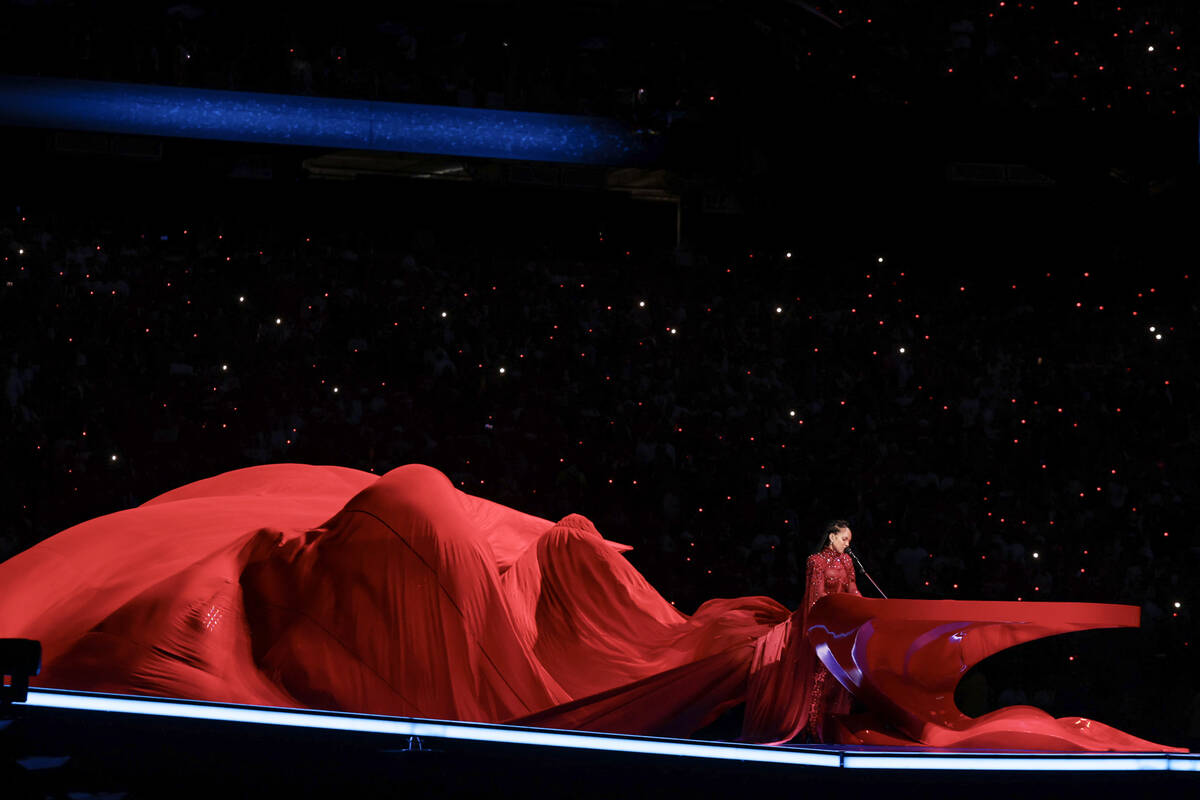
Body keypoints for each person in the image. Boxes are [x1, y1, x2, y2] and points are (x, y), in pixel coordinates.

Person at [802, 519, 861, 741]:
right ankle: (812, 727)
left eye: (849, 540)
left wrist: (867, 609)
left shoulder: (847, 561)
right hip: (825, 625)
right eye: (844, 539)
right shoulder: (815, 561)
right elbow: (817, 597)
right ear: (832, 537)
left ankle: (834, 727)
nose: (847, 544)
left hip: (843, 627)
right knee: (820, 675)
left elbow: (853, 590)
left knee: (843, 677)